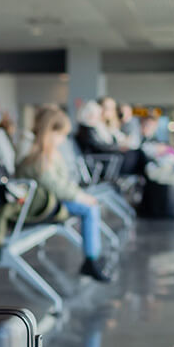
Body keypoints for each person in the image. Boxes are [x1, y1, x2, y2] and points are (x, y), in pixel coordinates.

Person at [15, 105, 111, 282]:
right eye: (61, 135)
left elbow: (62, 184)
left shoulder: (44, 153)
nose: (62, 140)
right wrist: (80, 196)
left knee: (90, 206)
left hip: (48, 200)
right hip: (40, 204)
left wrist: (80, 194)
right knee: (89, 209)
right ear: (50, 132)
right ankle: (91, 259)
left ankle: (93, 257)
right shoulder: (38, 156)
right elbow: (55, 186)